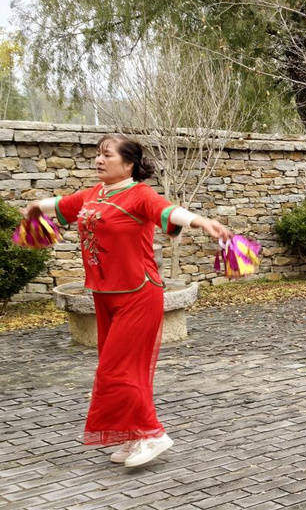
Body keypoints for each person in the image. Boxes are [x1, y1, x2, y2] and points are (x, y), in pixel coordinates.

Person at [21, 135, 231, 468]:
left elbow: (168, 211)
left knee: (117, 369)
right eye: (97, 155)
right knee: (124, 369)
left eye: (107, 155)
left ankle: (153, 434)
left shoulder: (139, 195)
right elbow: (62, 204)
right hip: (104, 295)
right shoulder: (94, 194)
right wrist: (36, 207)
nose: (99, 160)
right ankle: (134, 436)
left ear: (129, 163)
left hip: (138, 294)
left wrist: (201, 221)